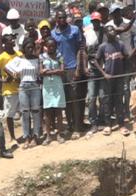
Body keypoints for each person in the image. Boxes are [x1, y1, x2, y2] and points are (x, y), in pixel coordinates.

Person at [52, 10, 86, 138]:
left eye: (63, 17)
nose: (61, 19)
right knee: (66, 100)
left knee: (75, 98)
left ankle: (78, 127)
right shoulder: (53, 34)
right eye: (59, 17)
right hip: (60, 70)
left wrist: (78, 67)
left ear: (66, 18)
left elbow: (80, 49)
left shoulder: (75, 30)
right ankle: (70, 126)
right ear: (56, 19)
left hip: (73, 68)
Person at [0, 34, 21, 144]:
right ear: (4, 44)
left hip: (21, 88)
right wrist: (1, 80)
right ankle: (12, 138)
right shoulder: (2, 57)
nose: (12, 41)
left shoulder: (19, 54)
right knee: (10, 115)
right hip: (9, 90)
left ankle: (27, 134)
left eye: (13, 39)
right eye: (10, 40)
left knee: (25, 112)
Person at [12, 39, 41, 148]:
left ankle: (35, 136)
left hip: (34, 86)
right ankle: (26, 137)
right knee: (25, 112)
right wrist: (14, 76)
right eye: (27, 48)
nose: (30, 50)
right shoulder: (19, 60)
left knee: (35, 111)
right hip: (23, 86)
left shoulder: (37, 59)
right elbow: (8, 69)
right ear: (23, 49)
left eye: (31, 48)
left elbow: (39, 73)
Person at [39, 38, 66, 145]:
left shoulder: (60, 56)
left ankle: (59, 134)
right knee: (47, 112)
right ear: (46, 46)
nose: (51, 48)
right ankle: (48, 135)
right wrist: (55, 71)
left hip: (57, 85)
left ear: (56, 46)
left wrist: (49, 71)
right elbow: (40, 72)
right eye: (49, 46)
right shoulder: (41, 57)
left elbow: (62, 71)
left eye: (53, 46)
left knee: (58, 110)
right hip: (47, 87)